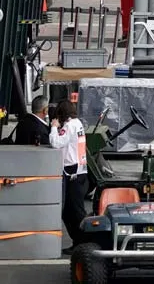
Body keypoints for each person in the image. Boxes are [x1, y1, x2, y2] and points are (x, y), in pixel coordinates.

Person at [49, 100, 88, 253]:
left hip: (71, 172)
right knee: (74, 210)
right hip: (80, 169)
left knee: (72, 211)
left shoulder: (69, 126)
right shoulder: (78, 123)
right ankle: (79, 241)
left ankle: (81, 242)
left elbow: (56, 143)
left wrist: (53, 128)